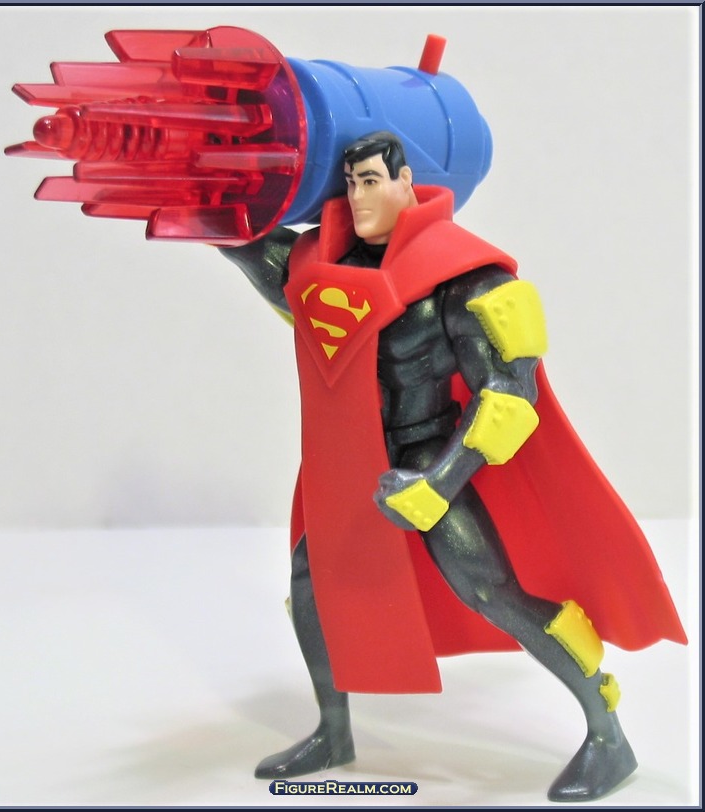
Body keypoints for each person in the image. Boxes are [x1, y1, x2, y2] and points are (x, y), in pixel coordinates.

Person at [219, 131, 685, 802]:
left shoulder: (468, 280)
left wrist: (439, 483)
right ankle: (333, 730)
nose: (359, 196)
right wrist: (206, 191)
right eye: (350, 182)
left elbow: (511, 396)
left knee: (491, 591)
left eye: (372, 180)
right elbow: (247, 245)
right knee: (312, 581)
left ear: (407, 183)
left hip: (430, 455)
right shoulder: (326, 267)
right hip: (353, 458)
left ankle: (608, 735)